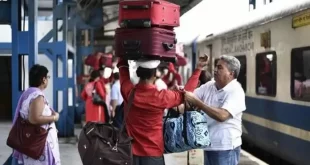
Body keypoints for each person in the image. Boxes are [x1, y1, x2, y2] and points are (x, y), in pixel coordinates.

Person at [117, 56, 208, 165]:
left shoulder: (128, 92)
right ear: (154, 74)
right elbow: (187, 93)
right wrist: (198, 69)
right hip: (153, 154)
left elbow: (123, 71)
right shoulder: (162, 97)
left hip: (130, 154)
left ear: (138, 73)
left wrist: (123, 57)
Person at [184, 55, 246, 165]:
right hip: (208, 145)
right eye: (216, 67)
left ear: (231, 73)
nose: (215, 70)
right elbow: (189, 96)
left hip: (225, 148)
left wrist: (199, 103)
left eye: (220, 68)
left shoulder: (236, 91)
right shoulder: (209, 86)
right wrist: (198, 68)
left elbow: (222, 115)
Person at [10, 64, 61, 165]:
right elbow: (34, 119)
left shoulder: (28, 93)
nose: (48, 80)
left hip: (32, 141)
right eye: (48, 77)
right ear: (43, 79)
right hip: (39, 144)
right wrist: (54, 117)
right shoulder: (37, 96)